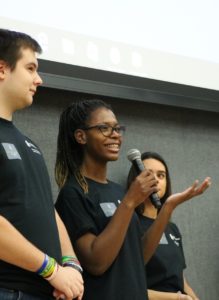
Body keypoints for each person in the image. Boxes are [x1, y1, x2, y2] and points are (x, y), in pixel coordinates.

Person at [55, 99, 210, 300]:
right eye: (104, 128)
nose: (116, 135)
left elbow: (140, 257)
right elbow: (96, 263)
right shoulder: (72, 193)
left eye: (118, 128)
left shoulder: (118, 191)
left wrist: (168, 208)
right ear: (81, 136)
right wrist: (129, 202)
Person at [0, 29, 84, 300]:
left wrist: (69, 263)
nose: (39, 79)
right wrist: (51, 269)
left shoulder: (29, 145)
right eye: (30, 68)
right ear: (2, 69)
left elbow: (47, 210)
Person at [127, 151, 201, 300]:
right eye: (148, 174)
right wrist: (177, 298)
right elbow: (125, 286)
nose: (155, 179)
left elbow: (180, 278)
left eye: (161, 175)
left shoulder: (172, 228)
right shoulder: (129, 223)